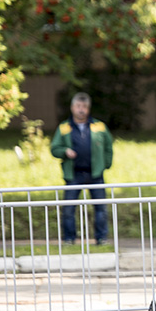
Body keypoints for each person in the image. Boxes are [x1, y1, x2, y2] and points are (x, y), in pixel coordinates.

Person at [50, 92, 114, 245]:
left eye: (84, 107)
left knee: (100, 207)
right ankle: (69, 239)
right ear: (72, 108)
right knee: (69, 208)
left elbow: (108, 147)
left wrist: (105, 164)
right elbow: (54, 148)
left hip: (95, 173)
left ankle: (101, 238)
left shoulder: (99, 126)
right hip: (74, 174)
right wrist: (65, 151)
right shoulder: (64, 127)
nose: (81, 110)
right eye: (78, 106)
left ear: (88, 109)